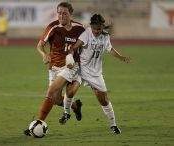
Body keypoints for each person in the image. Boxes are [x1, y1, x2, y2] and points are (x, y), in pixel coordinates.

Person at [24, 2, 85, 136]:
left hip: (71, 67)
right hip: (54, 67)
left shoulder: (80, 29)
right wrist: (44, 54)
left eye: (64, 13)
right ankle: (75, 105)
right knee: (56, 99)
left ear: (71, 14)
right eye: (59, 13)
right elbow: (39, 46)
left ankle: (38, 123)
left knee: (50, 91)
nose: (61, 16)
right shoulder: (53, 27)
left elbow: (87, 47)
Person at [63, 14, 131, 134]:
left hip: (95, 73)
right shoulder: (86, 34)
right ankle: (66, 113)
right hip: (81, 69)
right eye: (94, 28)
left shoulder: (105, 36)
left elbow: (110, 49)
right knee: (70, 91)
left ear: (102, 27)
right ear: (91, 26)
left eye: (99, 29)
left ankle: (113, 125)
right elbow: (74, 47)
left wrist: (121, 57)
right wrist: (70, 56)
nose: (96, 31)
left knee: (104, 100)